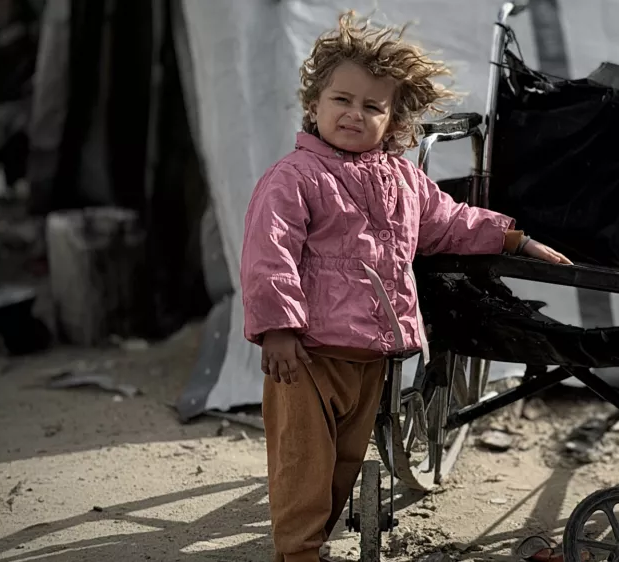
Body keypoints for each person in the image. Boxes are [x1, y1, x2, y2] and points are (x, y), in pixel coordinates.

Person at [239, 11, 571, 562]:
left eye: (373, 106)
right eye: (341, 100)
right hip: (308, 355)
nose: (355, 113)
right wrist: (278, 329)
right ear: (314, 105)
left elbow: (451, 221)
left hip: (371, 357)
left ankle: (313, 541)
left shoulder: (403, 180)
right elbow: (268, 255)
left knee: (344, 464)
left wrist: (514, 239)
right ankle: (297, 553)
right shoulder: (294, 178)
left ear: (392, 121)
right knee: (303, 462)